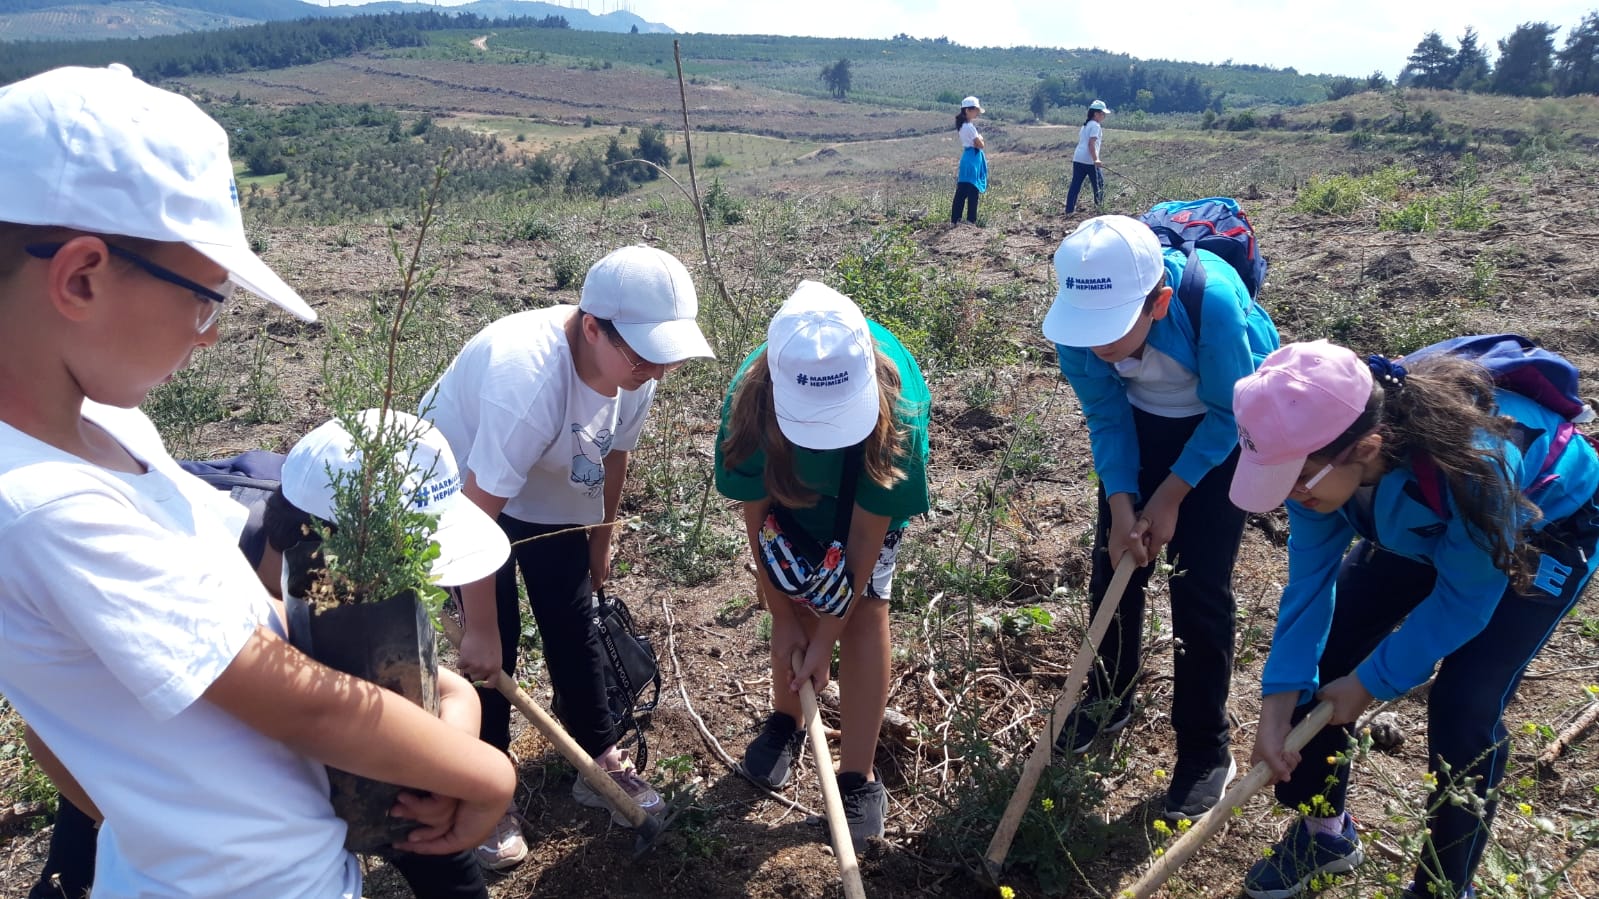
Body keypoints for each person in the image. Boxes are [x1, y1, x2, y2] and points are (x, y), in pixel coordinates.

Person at [0, 63, 515, 898]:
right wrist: (486, 770)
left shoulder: (110, 429)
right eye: (206, 301)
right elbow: (299, 704)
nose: (208, 337)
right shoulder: (43, 506)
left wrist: (433, 685)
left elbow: (253, 618)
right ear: (82, 277)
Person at [30, 415, 508, 899]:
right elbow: (58, 734)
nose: (411, 585)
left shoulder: (360, 604)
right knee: (81, 845)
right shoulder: (191, 583)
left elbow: (443, 686)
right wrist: (143, 820)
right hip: (210, 820)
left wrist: (443, 768)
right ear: (335, 558)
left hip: (363, 773)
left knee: (441, 862)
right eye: (403, 569)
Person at [1229, 341, 1599, 899]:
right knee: (1327, 656)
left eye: (1296, 477)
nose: (1289, 495)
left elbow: (1464, 601)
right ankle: (1323, 834)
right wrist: (1276, 706)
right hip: (1418, 519)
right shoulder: (1320, 481)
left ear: (1366, 446)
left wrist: (1370, 683)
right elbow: (1308, 592)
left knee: (1464, 704)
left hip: (1536, 528)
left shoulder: (1477, 465)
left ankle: (1444, 887)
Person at [421, 244, 714, 868]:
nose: (657, 369)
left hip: (546, 475)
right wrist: (477, 629)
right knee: (492, 643)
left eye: (667, 356)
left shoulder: (634, 370)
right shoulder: (525, 380)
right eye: (644, 354)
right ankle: (488, 784)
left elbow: (614, 456)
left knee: (572, 614)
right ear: (591, 327)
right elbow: (477, 514)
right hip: (463, 484)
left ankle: (597, 758)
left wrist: (599, 546)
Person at [1041, 215, 1279, 820]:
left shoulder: (1212, 303)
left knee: (1199, 590)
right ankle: (1107, 699)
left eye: (1113, 330)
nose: (1097, 344)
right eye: (1087, 329)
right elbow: (1106, 414)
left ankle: (1205, 748)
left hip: (1221, 430)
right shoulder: (1078, 326)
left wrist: (1171, 496)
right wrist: (1125, 503)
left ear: (1158, 302)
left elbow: (1230, 414)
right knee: (1114, 568)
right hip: (1143, 429)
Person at [715, 281, 931, 847]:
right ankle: (787, 720)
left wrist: (829, 632)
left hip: (858, 509)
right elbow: (756, 515)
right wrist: (786, 617)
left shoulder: (899, 408)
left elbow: (865, 540)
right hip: (787, 503)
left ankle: (857, 777)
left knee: (864, 614)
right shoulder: (750, 401)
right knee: (796, 609)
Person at [1065, 99, 1110, 215]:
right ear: (1096, 114)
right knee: (1099, 185)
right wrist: (1096, 159)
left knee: (1075, 185)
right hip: (1089, 161)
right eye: (1102, 114)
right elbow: (1091, 144)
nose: (1103, 116)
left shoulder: (1086, 125)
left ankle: (1069, 210)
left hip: (1078, 158)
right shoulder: (1095, 126)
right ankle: (1099, 210)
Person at [951, 95, 988, 226]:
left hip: (967, 157)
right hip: (973, 159)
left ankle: (955, 220)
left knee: (962, 190)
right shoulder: (970, 127)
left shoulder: (962, 126)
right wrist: (981, 138)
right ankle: (971, 221)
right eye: (975, 110)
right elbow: (980, 144)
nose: (977, 113)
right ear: (967, 110)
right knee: (973, 190)